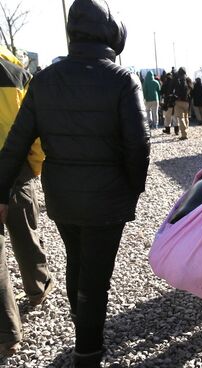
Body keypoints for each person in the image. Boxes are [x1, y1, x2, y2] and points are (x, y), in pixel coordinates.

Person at [0, 1, 150, 366]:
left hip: (63, 197)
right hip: (108, 199)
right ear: (110, 32)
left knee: (76, 262)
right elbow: (139, 144)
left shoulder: (45, 79)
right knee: (96, 275)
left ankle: (82, 327)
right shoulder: (121, 78)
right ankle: (88, 349)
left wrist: (1, 191)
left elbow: (17, 143)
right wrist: (133, 188)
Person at [0, 46, 55, 358]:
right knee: (25, 233)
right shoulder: (12, 69)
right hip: (13, 167)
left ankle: (6, 333)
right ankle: (37, 288)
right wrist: (35, 166)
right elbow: (28, 128)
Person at [170, 68, 192, 140]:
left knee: (181, 118)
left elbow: (171, 89)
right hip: (187, 101)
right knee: (186, 117)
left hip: (178, 101)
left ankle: (184, 135)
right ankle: (186, 130)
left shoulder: (176, 79)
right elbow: (192, 88)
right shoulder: (188, 79)